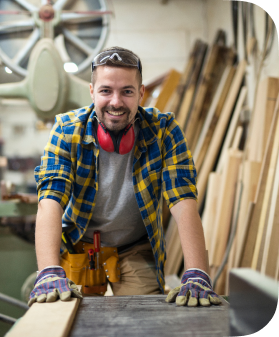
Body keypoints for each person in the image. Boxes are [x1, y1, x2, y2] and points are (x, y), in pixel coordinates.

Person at [28, 47, 221, 308]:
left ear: (141, 93)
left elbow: (182, 200)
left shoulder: (164, 131)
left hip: (135, 248)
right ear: (92, 92)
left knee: (145, 317)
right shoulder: (66, 129)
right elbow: (50, 199)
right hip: (80, 248)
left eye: (127, 91)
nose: (116, 102)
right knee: (70, 318)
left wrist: (197, 272)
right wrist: (48, 270)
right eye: (106, 90)